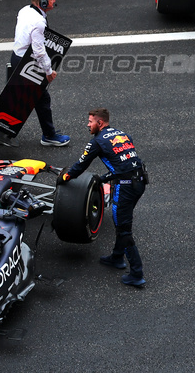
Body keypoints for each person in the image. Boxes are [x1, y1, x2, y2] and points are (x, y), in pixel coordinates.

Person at [61, 108, 149, 288]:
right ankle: (117, 257)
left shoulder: (98, 142)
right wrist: (104, 178)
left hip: (125, 187)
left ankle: (137, 273)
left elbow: (80, 165)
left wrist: (65, 177)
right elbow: (124, 164)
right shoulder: (123, 135)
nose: (88, 125)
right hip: (139, 182)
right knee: (121, 222)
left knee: (124, 228)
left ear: (100, 123)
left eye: (90, 121)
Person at [0, 0, 70, 147]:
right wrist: (48, 71)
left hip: (16, 58)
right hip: (28, 63)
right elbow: (39, 51)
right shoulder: (38, 22)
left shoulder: (24, 10)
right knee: (42, 99)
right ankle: (49, 136)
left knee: (14, 97)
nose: (54, 1)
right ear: (42, 2)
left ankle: (0, 132)